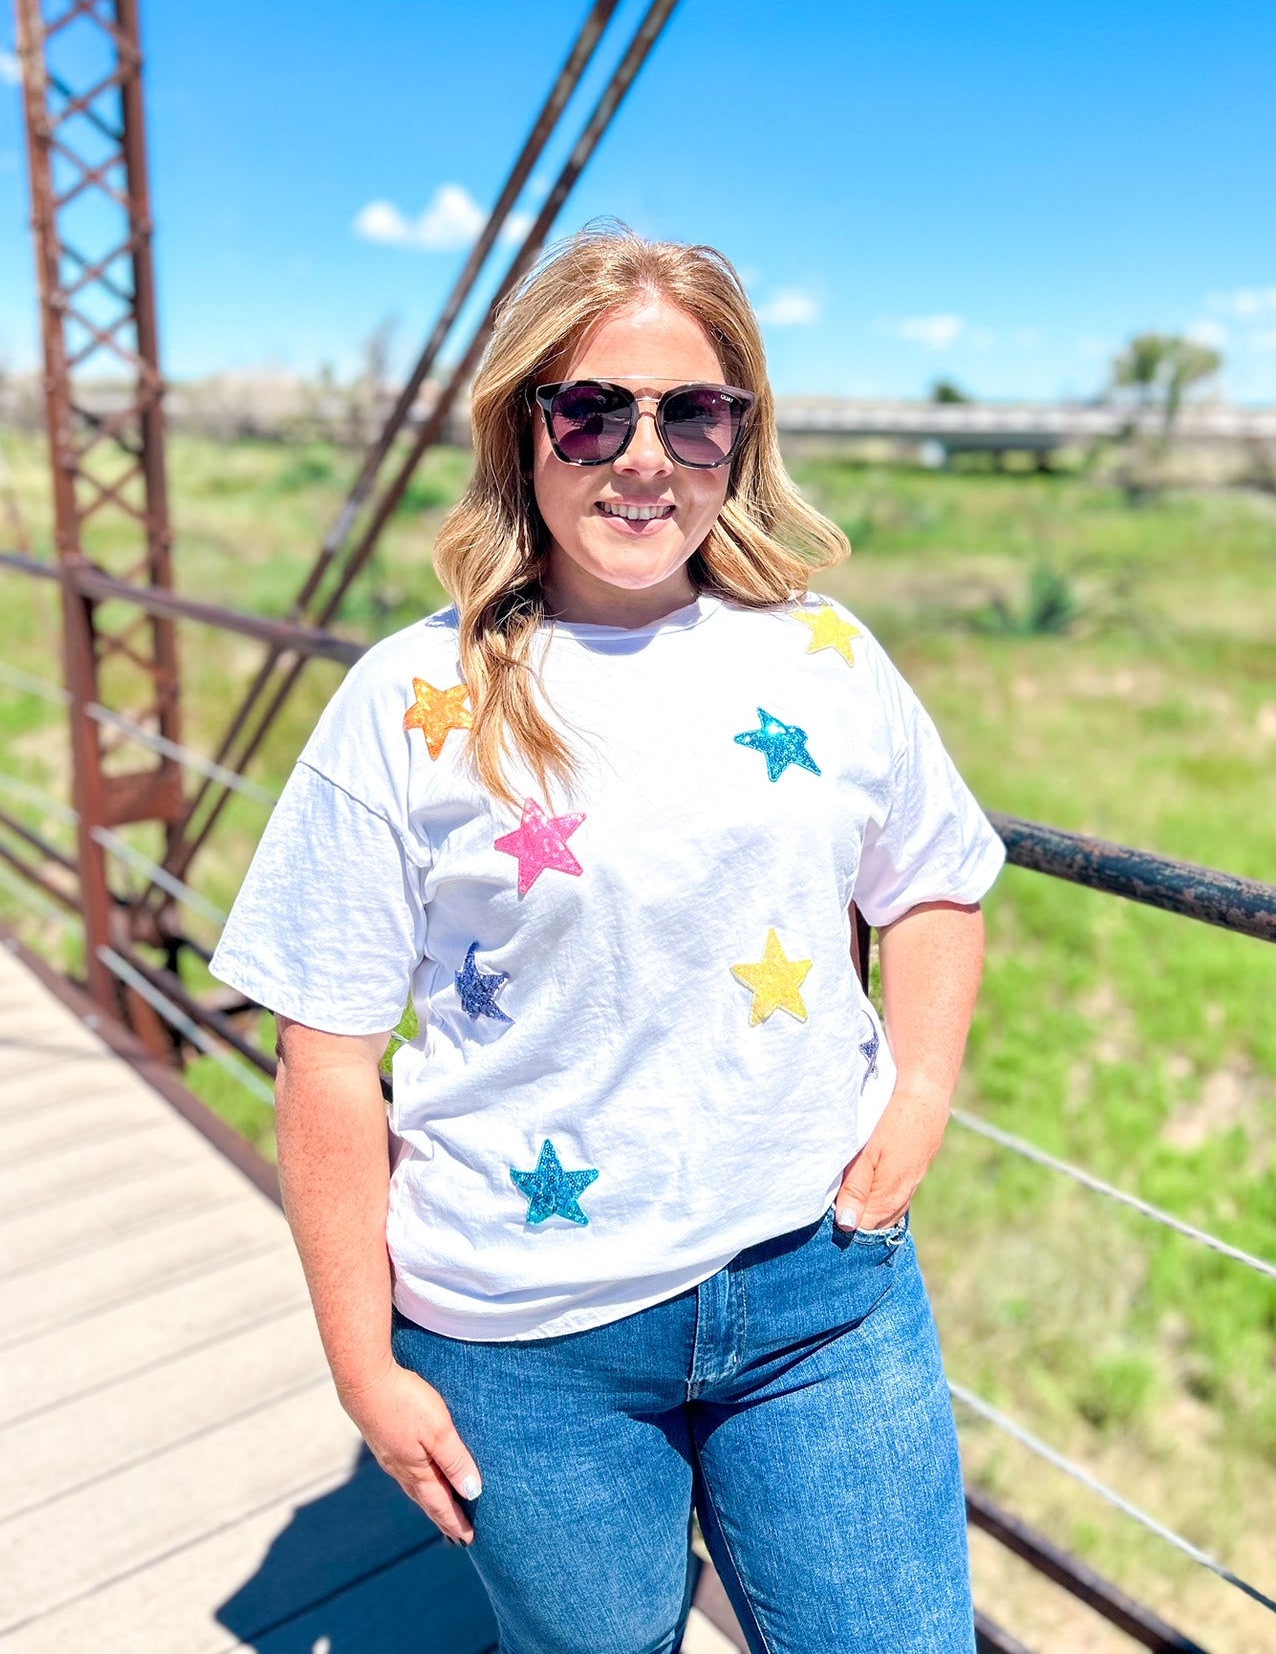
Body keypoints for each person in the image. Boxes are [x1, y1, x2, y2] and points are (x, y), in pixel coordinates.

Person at [211, 225, 1004, 1654]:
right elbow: (325, 1060)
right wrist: (362, 1368)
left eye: (691, 412)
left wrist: (922, 1099)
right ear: (525, 430)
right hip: (527, 1341)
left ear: (739, 438)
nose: (643, 457)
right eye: (592, 409)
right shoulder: (408, 698)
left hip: (820, 1286)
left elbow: (935, 884)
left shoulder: (824, 658)